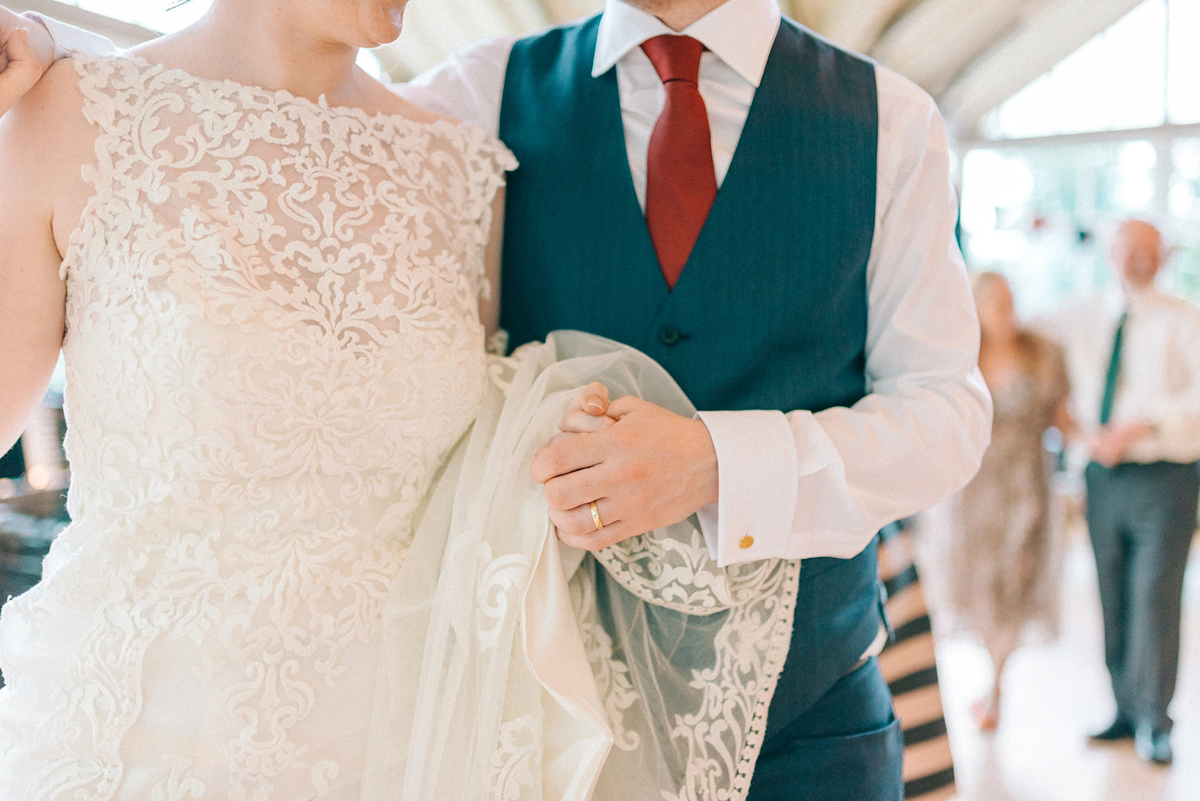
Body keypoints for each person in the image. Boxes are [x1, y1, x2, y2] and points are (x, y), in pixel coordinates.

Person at [2, 1, 993, 798]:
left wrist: (717, 464)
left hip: (804, 724)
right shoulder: (485, 97)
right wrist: (44, 45)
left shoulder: (890, 122)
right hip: (553, 738)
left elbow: (948, 414)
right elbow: (256, 107)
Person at [1039, 219, 1200, 765]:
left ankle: (1156, 721)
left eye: (1148, 251)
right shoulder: (1081, 313)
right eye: (1129, 250)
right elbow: (1024, 339)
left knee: (1155, 596)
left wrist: (1139, 426)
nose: (1138, 260)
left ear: (1164, 256)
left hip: (1166, 477)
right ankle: (1124, 709)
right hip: (1101, 478)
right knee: (1110, 594)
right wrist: (1078, 429)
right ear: (1110, 253)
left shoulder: (1185, 317)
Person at [949, 271, 1071, 731]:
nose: (1007, 311)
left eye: (1011, 301)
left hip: (1027, 492)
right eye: (997, 303)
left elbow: (1064, 422)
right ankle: (989, 674)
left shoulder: (1044, 354)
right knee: (982, 587)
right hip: (974, 491)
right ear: (977, 307)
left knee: (1016, 582)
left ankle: (996, 686)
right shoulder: (963, 357)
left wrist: (1104, 446)